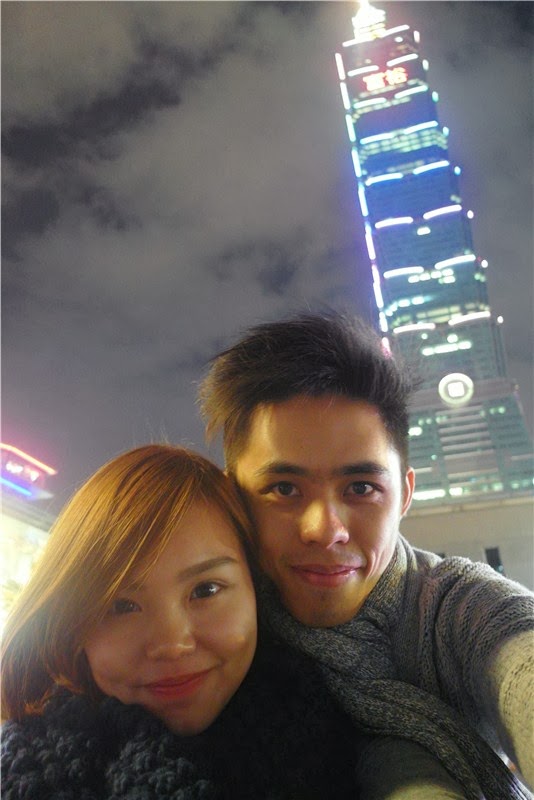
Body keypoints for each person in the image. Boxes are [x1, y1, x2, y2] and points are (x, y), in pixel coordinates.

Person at [199, 310, 534, 800]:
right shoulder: (210, 642)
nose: (325, 530)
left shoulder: (456, 605)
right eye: (284, 488)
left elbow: (515, 648)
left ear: (404, 494)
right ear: (234, 496)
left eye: (360, 487)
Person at [2, 444, 374, 799]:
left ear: (256, 589)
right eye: (121, 606)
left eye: (205, 590)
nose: (171, 644)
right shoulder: (24, 769)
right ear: (72, 625)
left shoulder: (360, 739)